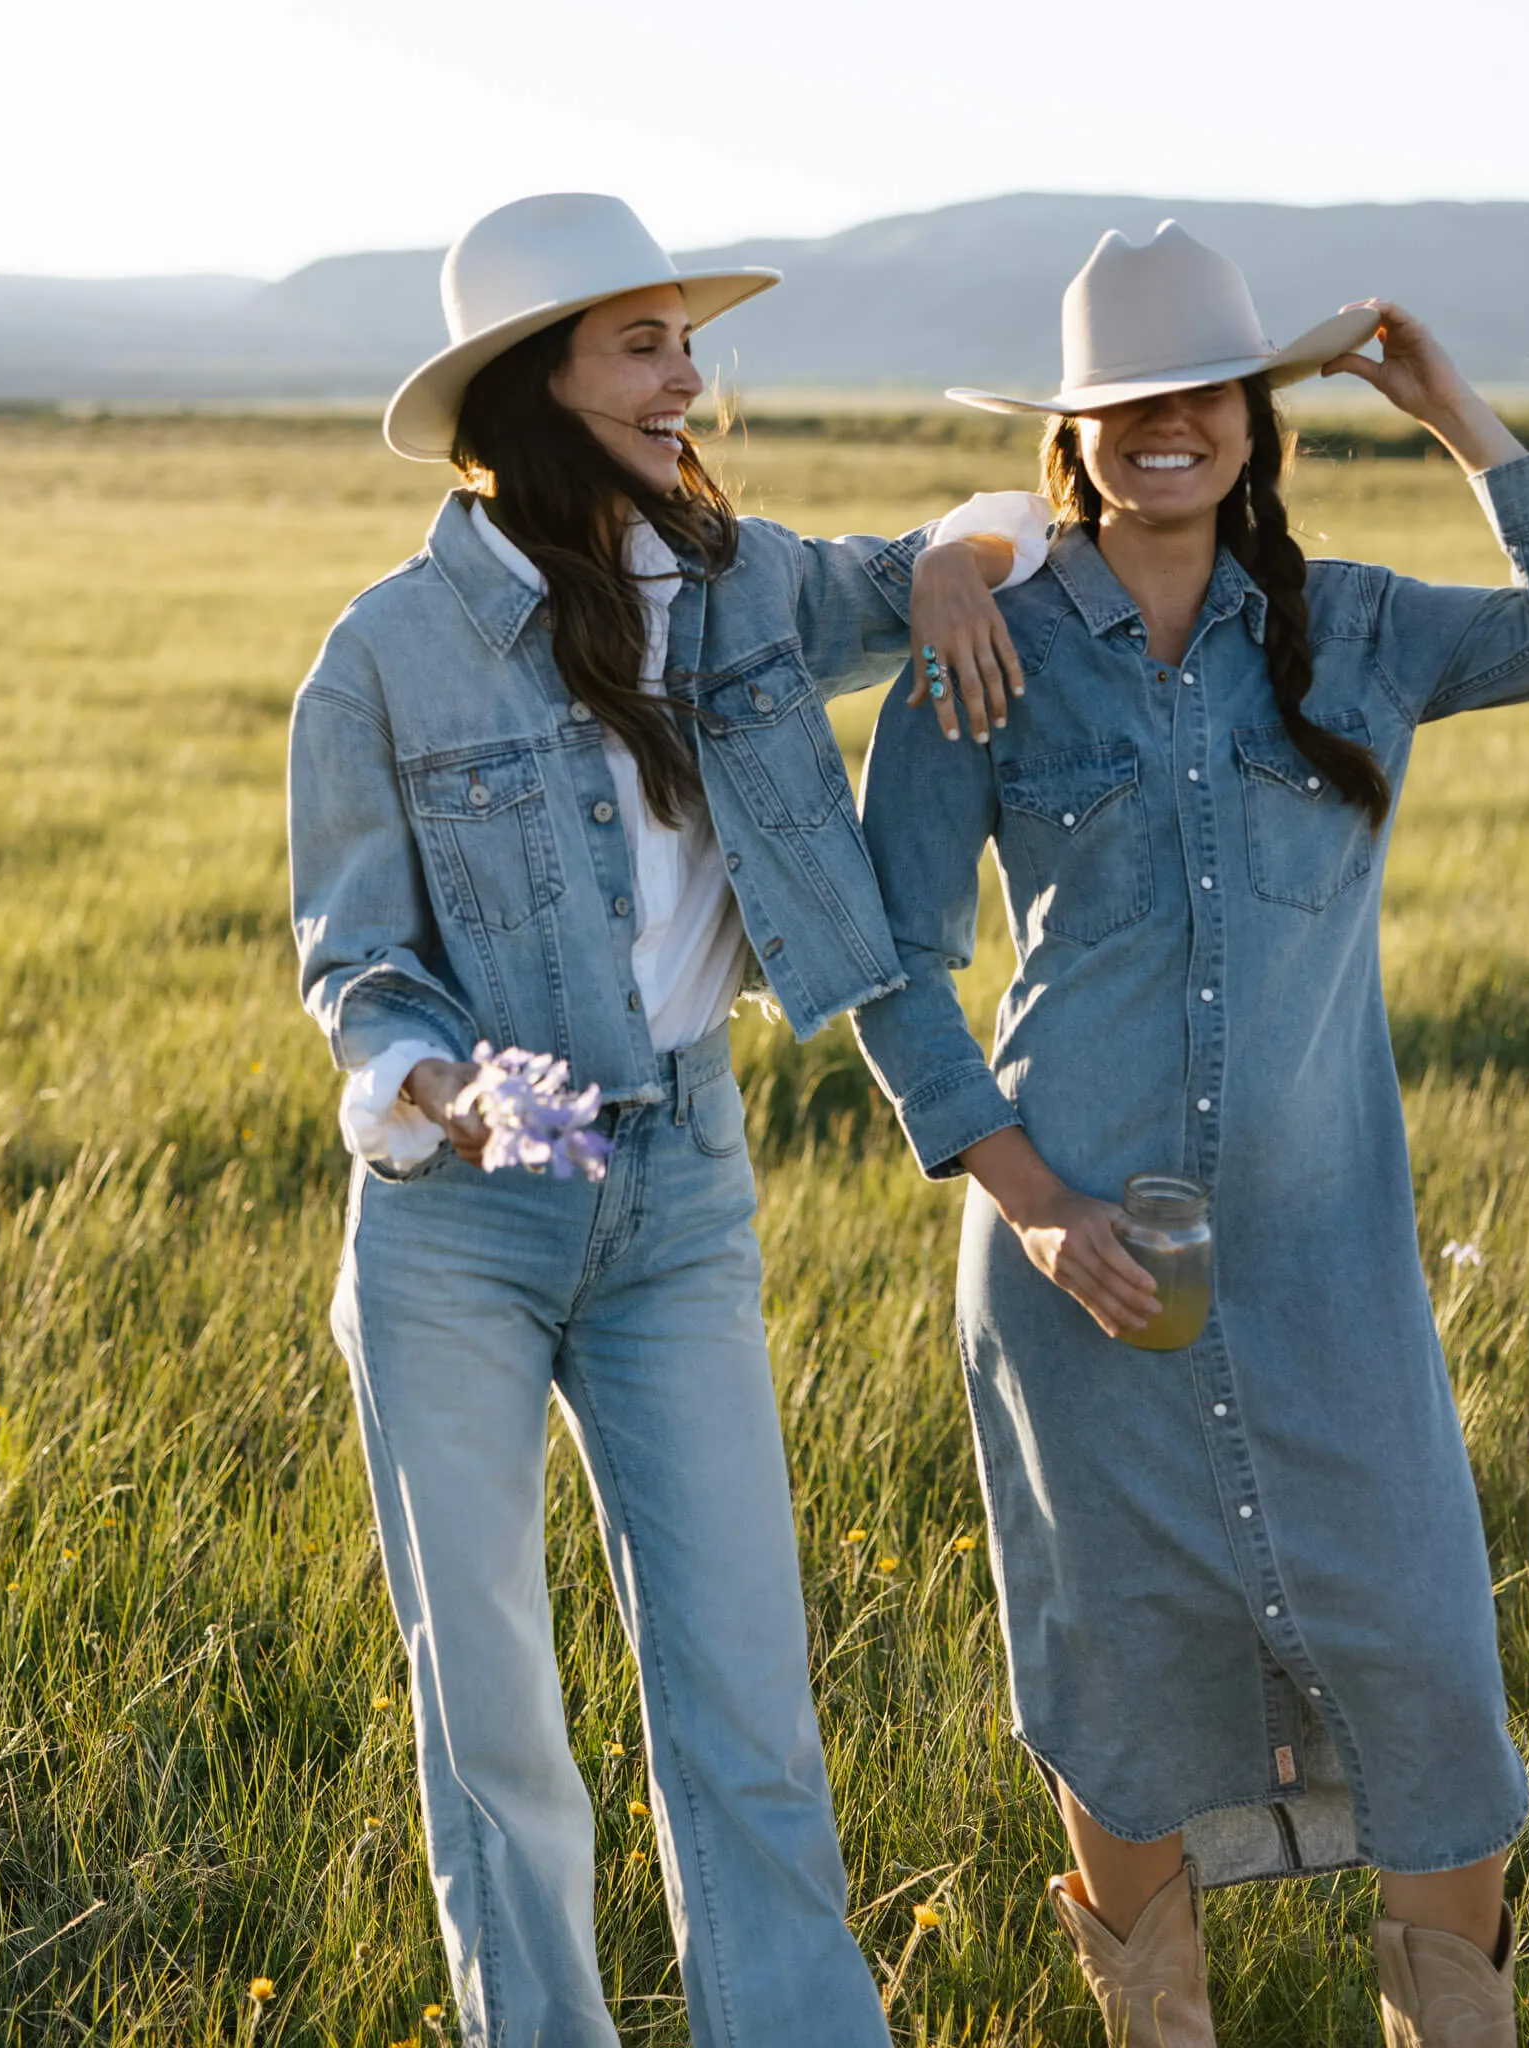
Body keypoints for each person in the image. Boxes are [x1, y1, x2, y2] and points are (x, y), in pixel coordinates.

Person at [852, 221, 1529, 2048]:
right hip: (1078, 1269)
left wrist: (1461, 416)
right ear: (1074, 431)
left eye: (1203, 392)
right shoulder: (977, 637)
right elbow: (892, 962)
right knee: (1121, 1680)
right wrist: (1034, 1201)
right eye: (1126, 401)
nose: (1166, 427)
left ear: (1252, 416)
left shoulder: (1358, 626)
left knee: (1433, 1670)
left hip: (1325, 1265)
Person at [287, 191, 1038, 2048]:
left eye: (687, 341)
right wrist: (436, 1088)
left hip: (683, 1184)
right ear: (531, 386)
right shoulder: (384, 654)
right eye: (641, 343)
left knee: (746, 1700)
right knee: (499, 1725)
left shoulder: (753, 580)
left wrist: (954, 554)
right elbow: (360, 962)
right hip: (463, 1219)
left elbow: (1008, 523)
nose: (689, 376)